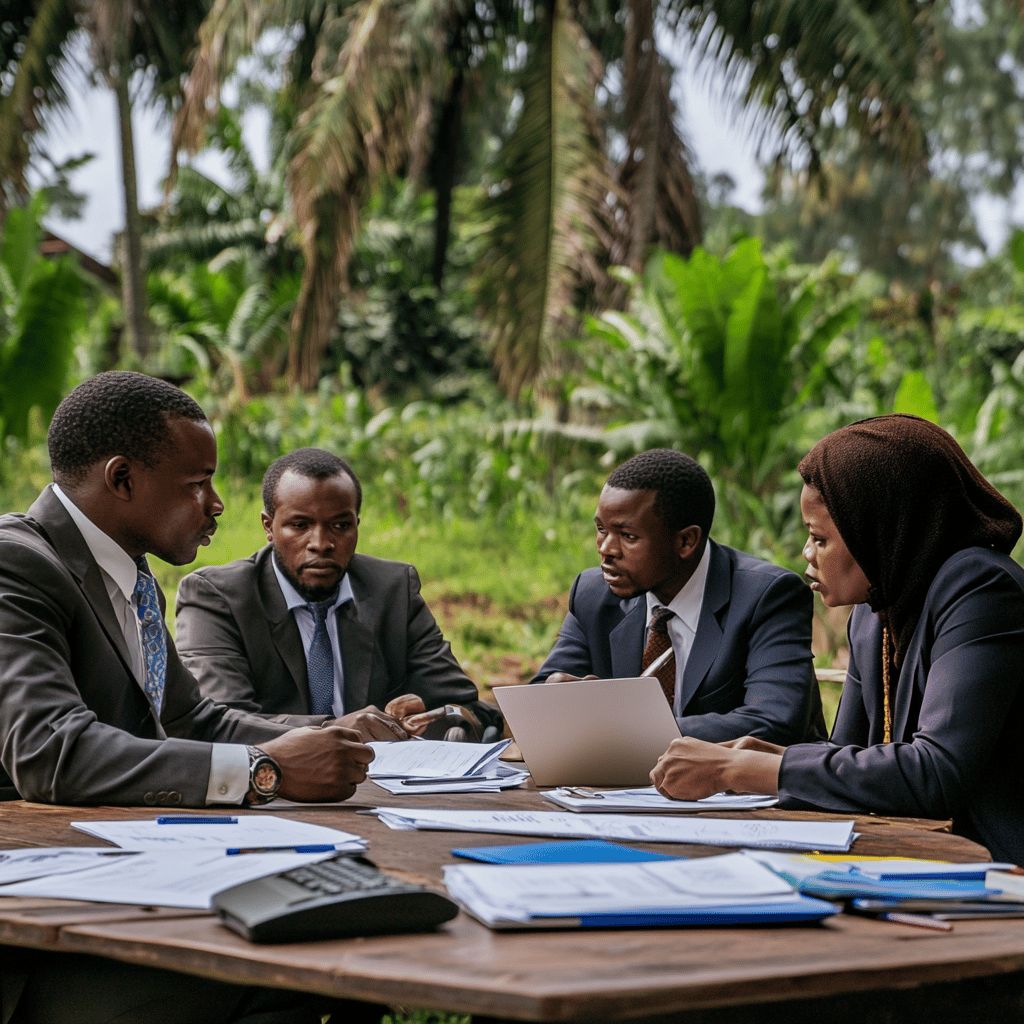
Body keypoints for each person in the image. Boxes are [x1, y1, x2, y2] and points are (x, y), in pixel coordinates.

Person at [0, 372, 379, 1022]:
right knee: (304, 976)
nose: (216, 504)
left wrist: (319, 736)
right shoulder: (17, 566)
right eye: (196, 484)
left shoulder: (125, 570)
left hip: (121, 881)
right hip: (40, 938)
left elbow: (188, 716)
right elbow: (49, 751)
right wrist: (268, 770)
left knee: (343, 955)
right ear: (122, 480)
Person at [651, 415, 1024, 865]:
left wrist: (749, 770)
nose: (807, 555)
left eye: (819, 537)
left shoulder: (980, 589)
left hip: (997, 866)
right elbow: (851, 754)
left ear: (880, 529)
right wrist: (767, 755)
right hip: (915, 857)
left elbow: (936, 772)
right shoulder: (875, 613)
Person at [175, 447, 499, 741]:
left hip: (385, 788)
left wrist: (428, 710)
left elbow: (460, 701)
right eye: (300, 525)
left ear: (357, 524)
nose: (321, 543)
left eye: (340, 526)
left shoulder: (392, 589)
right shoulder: (218, 598)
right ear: (268, 526)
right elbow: (221, 722)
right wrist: (334, 729)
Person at [533, 448, 824, 744]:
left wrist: (624, 729)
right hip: (614, 786)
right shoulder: (593, 594)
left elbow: (775, 721)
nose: (606, 548)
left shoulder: (766, 597)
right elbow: (537, 706)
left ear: (686, 541)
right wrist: (553, 695)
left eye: (628, 536)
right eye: (600, 529)